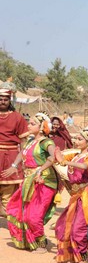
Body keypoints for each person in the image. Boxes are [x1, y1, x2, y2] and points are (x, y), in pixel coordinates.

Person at [3, 113, 59, 251]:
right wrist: (14, 166)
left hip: (44, 182)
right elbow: (22, 152)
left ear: (41, 127)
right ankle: (30, 240)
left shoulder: (46, 142)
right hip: (29, 181)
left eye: (32, 124)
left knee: (34, 215)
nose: (28, 126)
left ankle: (41, 243)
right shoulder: (30, 141)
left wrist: (40, 170)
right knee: (22, 211)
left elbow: (54, 156)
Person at [54, 126, 88, 263]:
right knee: (65, 224)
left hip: (86, 196)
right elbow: (57, 159)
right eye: (76, 138)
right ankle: (76, 254)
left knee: (79, 227)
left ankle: (83, 255)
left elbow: (85, 167)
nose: (76, 141)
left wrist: (65, 161)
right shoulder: (75, 155)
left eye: (80, 139)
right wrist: (57, 155)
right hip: (75, 196)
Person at [0, 82, 28, 218]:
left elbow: (24, 144)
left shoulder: (18, 117)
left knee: (8, 195)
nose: (3, 101)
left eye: (5, 99)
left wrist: (15, 165)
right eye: (0, 99)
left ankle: (13, 226)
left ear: (9, 100)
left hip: (10, 158)